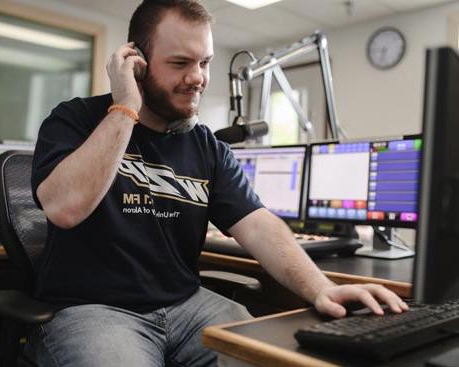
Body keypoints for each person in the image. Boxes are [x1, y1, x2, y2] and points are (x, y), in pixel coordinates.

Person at [28, 1, 409, 366]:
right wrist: (126, 105)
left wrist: (321, 287)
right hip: (92, 310)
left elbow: (259, 225)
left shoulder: (207, 146)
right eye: (180, 63)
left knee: (275, 359)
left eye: (205, 62)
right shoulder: (74, 119)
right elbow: (64, 208)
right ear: (137, 64)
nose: (197, 77)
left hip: (186, 306)